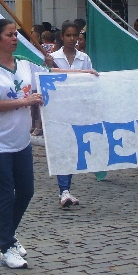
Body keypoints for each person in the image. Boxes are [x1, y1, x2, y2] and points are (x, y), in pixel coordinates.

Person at [0, 19, 97, 269]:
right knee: (6, 193)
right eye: (9, 35)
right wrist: (26, 101)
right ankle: (7, 247)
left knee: (26, 191)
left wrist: (83, 74)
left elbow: (52, 74)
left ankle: (5, 232)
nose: (14, 39)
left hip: (21, 141)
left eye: (15, 34)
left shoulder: (24, 64)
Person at [50, 21, 93, 208]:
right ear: (62, 37)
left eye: (75, 35)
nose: (72, 39)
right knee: (62, 148)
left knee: (72, 149)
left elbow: (89, 83)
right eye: (68, 35)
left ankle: (66, 188)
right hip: (57, 110)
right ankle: (64, 189)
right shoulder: (53, 58)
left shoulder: (84, 59)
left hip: (76, 109)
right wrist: (48, 66)